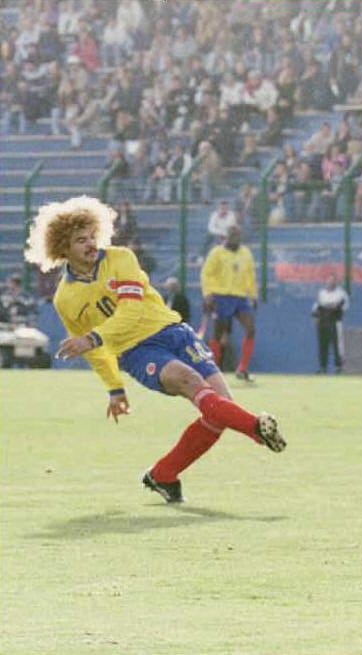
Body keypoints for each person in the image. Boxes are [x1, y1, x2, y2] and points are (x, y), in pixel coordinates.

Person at [24, 196, 285, 503]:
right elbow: (95, 353)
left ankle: (163, 474)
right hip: (137, 352)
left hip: (175, 332)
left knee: (220, 410)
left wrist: (93, 338)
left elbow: (131, 311)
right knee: (190, 381)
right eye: (81, 240)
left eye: (92, 236)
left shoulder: (121, 258)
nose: (91, 244)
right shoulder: (65, 299)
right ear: (62, 248)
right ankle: (256, 428)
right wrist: (114, 388)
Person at [201, 226, 257, 381]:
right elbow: (206, 274)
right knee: (218, 334)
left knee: (250, 329)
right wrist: (208, 294)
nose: (235, 239)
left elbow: (250, 274)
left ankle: (242, 368)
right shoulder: (216, 253)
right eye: (232, 236)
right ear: (225, 237)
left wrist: (253, 294)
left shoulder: (246, 253)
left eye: (238, 236)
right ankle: (212, 371)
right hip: (221, 296)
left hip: (240, 297)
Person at [312, 272, 349, 374]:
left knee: (337, 345)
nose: (331, 282)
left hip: (335, 321)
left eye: (333, 280)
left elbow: (343, 306)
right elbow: (317, 306)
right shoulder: (321, 293)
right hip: (323, 322)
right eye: (329, 280)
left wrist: (332, 308)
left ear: (336, 282)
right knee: (323, 345)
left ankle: (338, 367)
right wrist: (315, 316)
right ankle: (323, 367)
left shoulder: (341, 294)